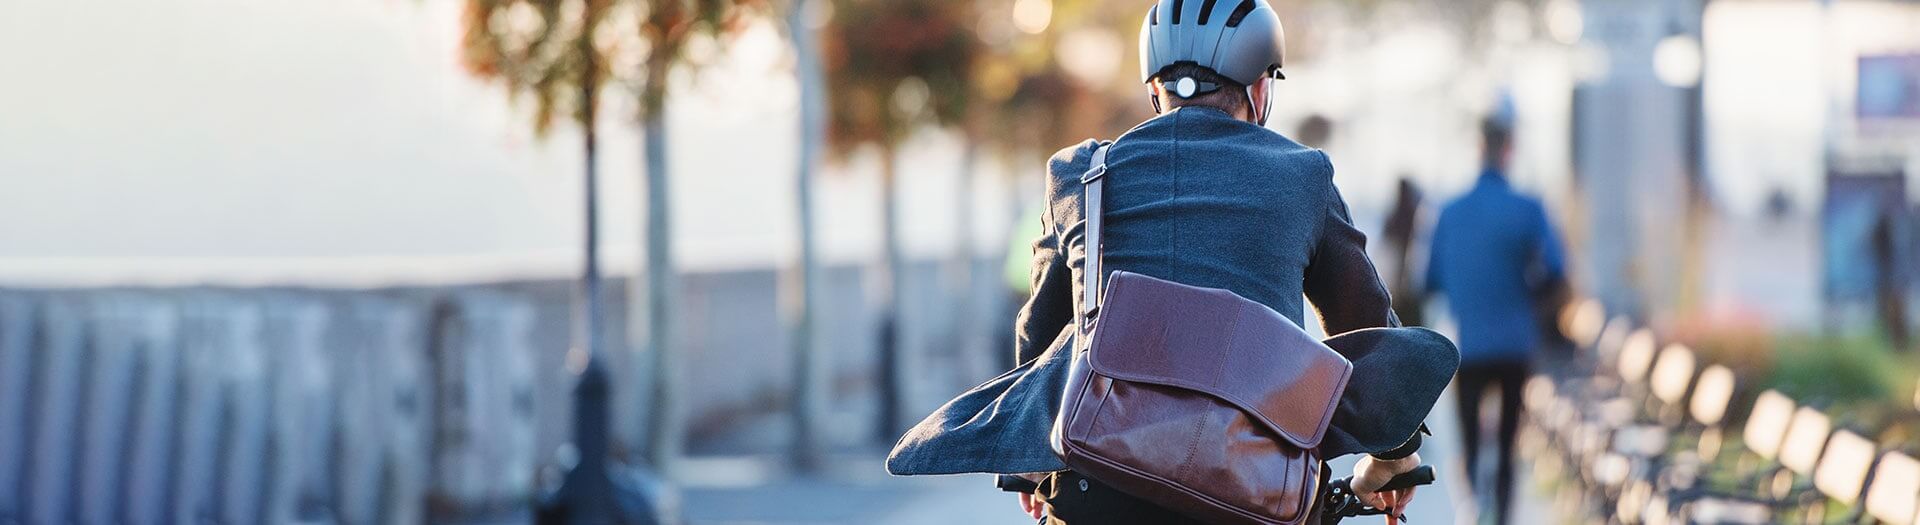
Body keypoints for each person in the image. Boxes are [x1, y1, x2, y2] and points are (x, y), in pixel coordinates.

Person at [1005, 1, 1424, 521]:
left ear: (1154, 88)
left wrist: (1027, 464)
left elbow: (1040, 332)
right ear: (1260, 89)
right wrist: (1394, 457)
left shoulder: (1080, 174)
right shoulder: (1301, 175)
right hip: (1255, 490)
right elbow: (1366, 328)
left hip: (1099, 486)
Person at [1425, 113, 1566, 525]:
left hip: (1466, 343)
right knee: (1507, 443)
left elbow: (1429, 279)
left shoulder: (1448, 212)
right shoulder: (1528, 208)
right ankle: (1502, 515)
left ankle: (1472, 508)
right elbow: (1556, 271)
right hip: (1515, 342)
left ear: (1478, 148)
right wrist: (1526, 293)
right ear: (1509, 150)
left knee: (1469, 439)